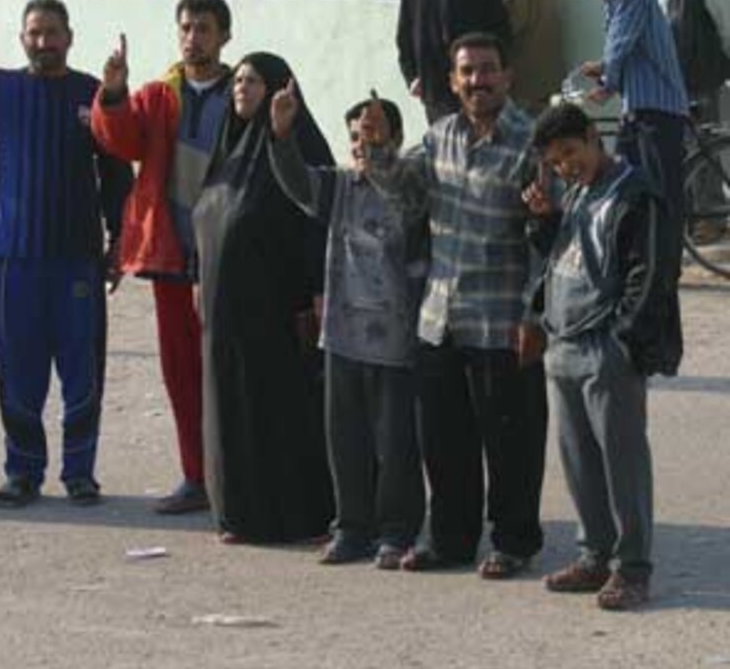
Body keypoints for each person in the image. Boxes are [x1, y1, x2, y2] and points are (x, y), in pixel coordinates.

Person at [0, 0, 132, 508]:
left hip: (76, 259)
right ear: (22, 39)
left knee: (81, 370)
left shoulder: (92, 94)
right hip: (11, 260)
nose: (43, 42)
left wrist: (119, 242)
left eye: (52, 32)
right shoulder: (2, 88)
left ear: (69, 37)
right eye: (34, 33)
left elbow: (115, 173)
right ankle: (22, 471)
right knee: (18, 369)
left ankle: (80, 473)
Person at [401, 32, 548, 578]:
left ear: (507, 76)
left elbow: (546, 241)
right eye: (467, 72)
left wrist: (535, 317)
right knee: (444, 442)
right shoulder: (438, 138)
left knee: (512, 443)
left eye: (487, 70)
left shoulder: (532, 144)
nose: (477, 80)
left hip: (503, 321)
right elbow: (404, 199)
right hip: (441, 320)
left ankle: (513, 542)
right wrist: (374, 157)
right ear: (452, 80)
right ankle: (450, 540)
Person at [269, 91, 427, 567]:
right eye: (356, 138)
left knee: (395, 442)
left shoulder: (411, 186)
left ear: (397, 139)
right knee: (346, 439)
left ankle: (397, 530)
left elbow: (404, 197)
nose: (363, 146)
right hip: (342, 335)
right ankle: (353, 527)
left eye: (374, 135)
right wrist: (280, 135)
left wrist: (382, 155)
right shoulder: (340, 187)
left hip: (395, 338)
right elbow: (297, 183)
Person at [523, 103, 670, 611]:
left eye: (570, 152)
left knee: (621, 461)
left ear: (592, 137)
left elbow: (648, 276)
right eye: (555, 160)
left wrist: (622, 342)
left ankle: (632, 568)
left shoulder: (634, 193)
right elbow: (566, 254)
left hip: (605, 347)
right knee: (578, 459)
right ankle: (594, 556)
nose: (565, 166)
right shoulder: (576, 191)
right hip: (563, 344)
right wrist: (543, 223)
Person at [90, 0, 233, 515]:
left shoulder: (243, 92)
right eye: (187, 28)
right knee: (181, 371)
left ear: (224, 37)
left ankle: (234, 474)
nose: (193, 37)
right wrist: (113, 90)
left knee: (229, 368)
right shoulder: (157, 95)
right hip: (171, 257)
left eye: (204, 28)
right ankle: (196, 475)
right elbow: (120, 141)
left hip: (228, 259)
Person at [191, 53, 335, 544]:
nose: (241, 90)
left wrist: (317, 293)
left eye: (252, 82)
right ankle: (237, 511)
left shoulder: (293, 146)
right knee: (228, 405)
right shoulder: (228, 148)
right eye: (237, 82)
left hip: (276, 309)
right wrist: (197, 277)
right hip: (223, 311)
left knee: (277, 409)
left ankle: (292, 514)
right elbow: (206, 216)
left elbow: (318, 219)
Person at [581, 0, 687, 377]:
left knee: (657, 216)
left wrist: (606, 80)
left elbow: (622, 47)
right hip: (637, 114)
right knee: (629, 211)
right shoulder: (615, 0)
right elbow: (617, 53)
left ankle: (658, 332)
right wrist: (604, 72)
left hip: (656, 114)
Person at [638, 0, 730, 245]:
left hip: (700, 72)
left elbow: (724, 19)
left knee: (704, 145)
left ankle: (712, 217)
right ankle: (693, 215)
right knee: (682, 150)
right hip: (668, 79)